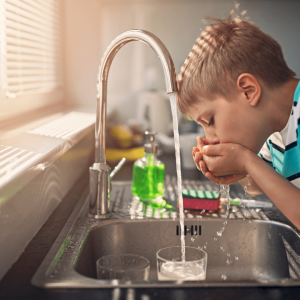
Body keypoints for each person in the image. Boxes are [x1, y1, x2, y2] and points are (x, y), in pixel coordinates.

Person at [176, 5, 300, 228]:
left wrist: (246, 160)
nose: (209, 139)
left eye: (210, 120)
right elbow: (258, 186)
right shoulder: (271, 128)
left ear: (248, 91)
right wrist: (238, 170)